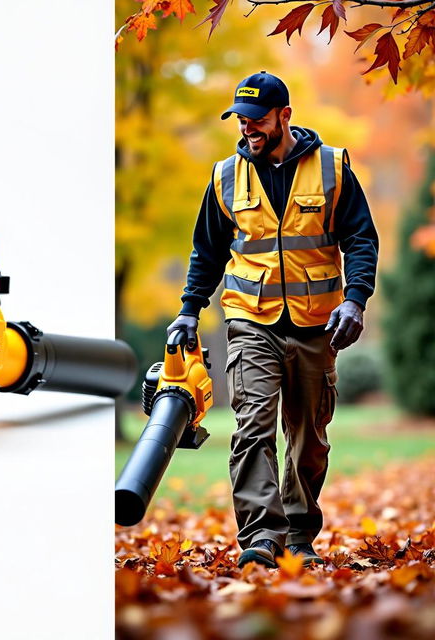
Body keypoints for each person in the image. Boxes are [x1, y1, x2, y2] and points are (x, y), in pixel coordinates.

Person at [167, 71, 379, 569]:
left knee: (309, 438)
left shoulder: (331, 168)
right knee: (252, 426)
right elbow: (207, 251)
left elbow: (361, 238)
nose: (248, 129)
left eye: (257, 119)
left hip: (316, 323)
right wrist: (188, 310)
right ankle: (261, 537)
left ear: (285, 115)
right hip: (250, 319)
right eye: (241, 120)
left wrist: (356, 299)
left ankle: (300, 537)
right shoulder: (225, 176)